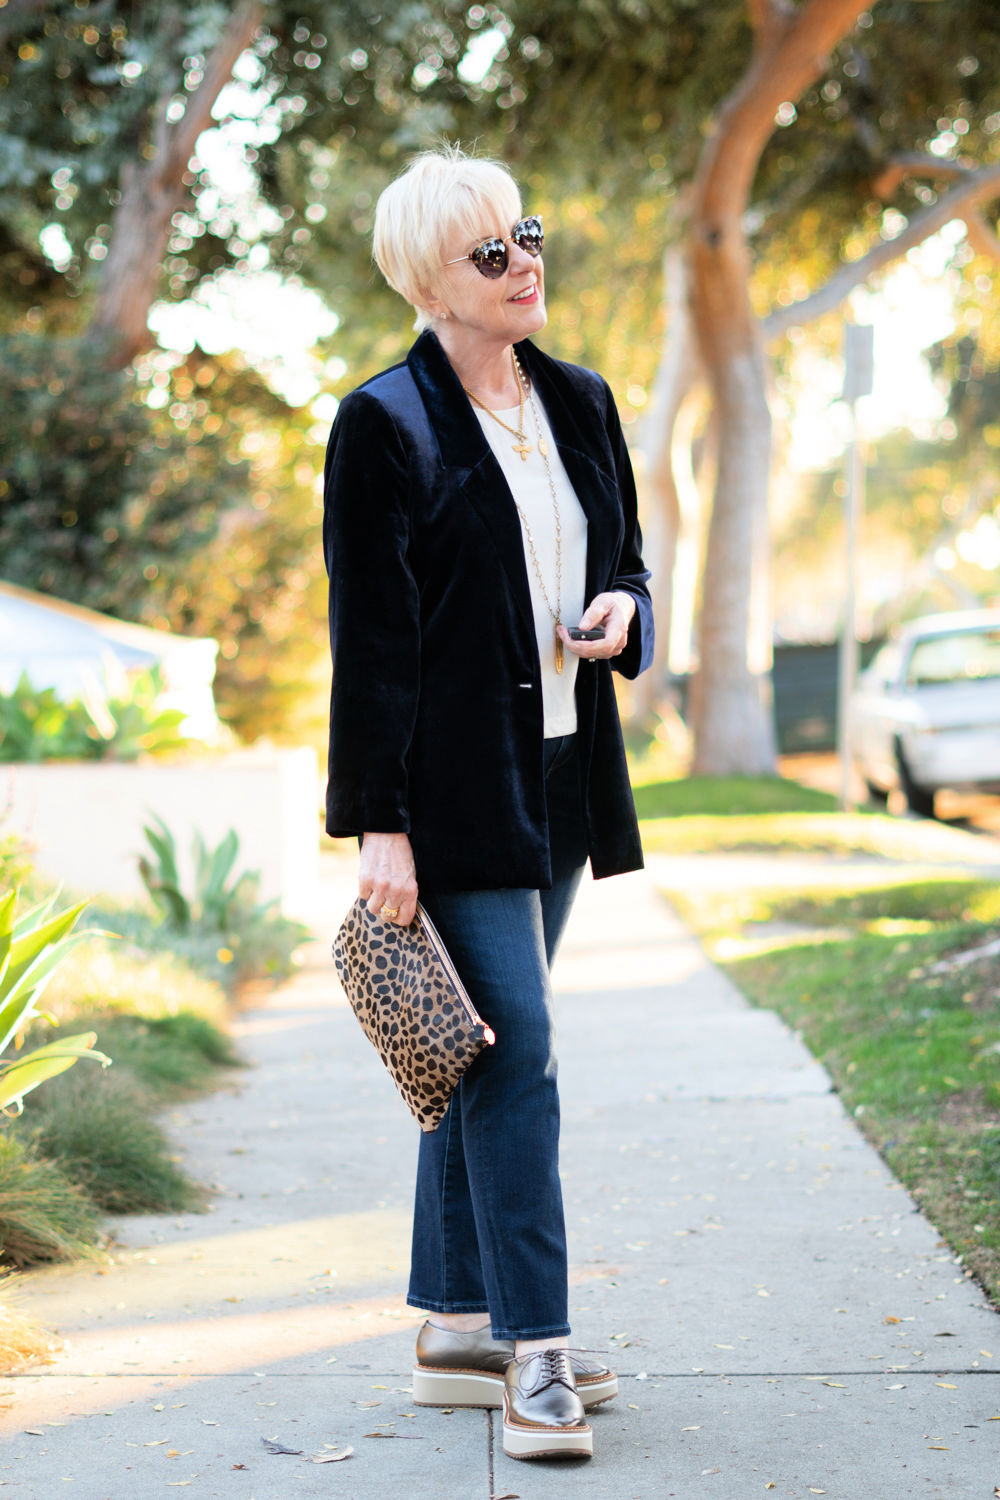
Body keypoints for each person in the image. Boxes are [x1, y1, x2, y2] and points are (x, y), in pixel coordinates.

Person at [323, 145, 653, 1462]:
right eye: (491, 253)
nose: (525, 265)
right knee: (519, 1061)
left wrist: (626, 608)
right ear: (429, 283)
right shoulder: (385, 424)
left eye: (526, 232)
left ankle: (459, 1325)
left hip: (565, 777)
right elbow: (372, 643)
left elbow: (620, 550)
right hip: (455, 796)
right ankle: (539, 1355)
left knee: (472, 1052)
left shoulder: (579, 399)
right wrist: (378, 827)